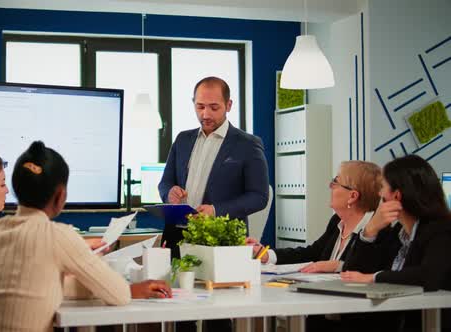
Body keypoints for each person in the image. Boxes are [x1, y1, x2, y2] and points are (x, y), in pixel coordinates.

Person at [0, 141, 171, 332]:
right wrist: (133, 289)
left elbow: (42, 286)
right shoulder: (57, 235)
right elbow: (118, 294)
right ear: (61, 195)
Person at [158, 76, 269, 258]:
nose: (206, 114)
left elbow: (259, 197)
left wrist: (215, 210)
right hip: (177, 237)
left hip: (223, 241)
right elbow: (165, 183)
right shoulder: (182, 139)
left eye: (214, 107)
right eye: (200, 107)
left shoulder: (248, 144)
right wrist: (169, 192)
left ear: (229, 105)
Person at [341, 155, 451, 331]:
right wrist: (370, 231)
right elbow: (351, 271)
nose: (379, 193)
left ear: (397, 195)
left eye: (383, 187)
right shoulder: (396, 232)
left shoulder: (441, 231)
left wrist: (374, 277)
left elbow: (428, 275)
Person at [252, 161, 382, 273]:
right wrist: (264, 254)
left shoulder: (376, 230)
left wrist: (338, 266)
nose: (330, 186)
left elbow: (371, 268)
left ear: (353, 196)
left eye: (335, 182)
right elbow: (312, 253)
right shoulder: (337, 221)